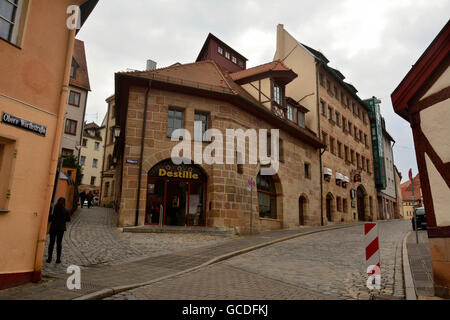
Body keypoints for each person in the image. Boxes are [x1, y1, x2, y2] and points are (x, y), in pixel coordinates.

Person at [47, 198, 71, 264]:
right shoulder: (66, 210)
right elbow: (68, 219)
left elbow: (49, 218)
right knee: (59, 243)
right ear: (64, 203)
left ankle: (49, 258)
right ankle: (58, 259)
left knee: (51, 243)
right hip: (61, 228)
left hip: (53, 227)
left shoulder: (53, 209)